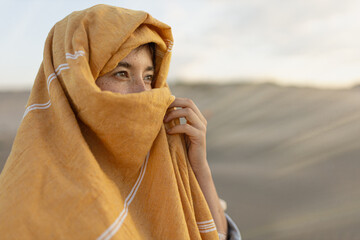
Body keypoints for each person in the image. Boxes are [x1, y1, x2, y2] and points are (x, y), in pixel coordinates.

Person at [0, 4, 240, 240]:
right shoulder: (27, 200)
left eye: (148, 77)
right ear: (76, 85)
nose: (143, 93)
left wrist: (199, 168)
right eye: (121, 73)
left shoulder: (162, 163)